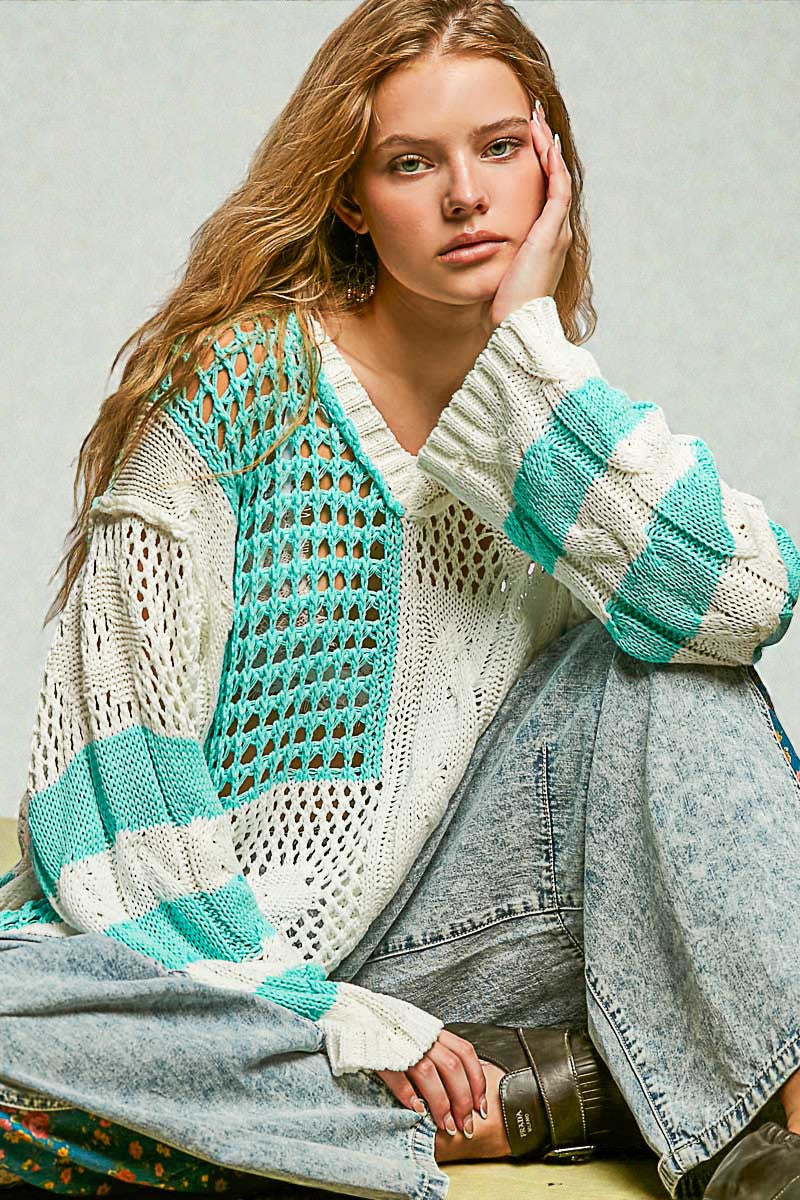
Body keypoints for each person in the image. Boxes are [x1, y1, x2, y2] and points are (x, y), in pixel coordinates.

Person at [1, 1, 799, 1198]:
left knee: (665, 663)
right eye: (409, 162)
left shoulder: (551, 413)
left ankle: (763, 1145)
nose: (465, 196)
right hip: (220, 961)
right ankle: (541, 1093)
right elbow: (116, 788)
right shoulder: (236, 393)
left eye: (498, 148)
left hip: (471, 941)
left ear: (552, 164)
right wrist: (313, 1009)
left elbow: (743, 601)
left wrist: (530, 360)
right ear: (349, 195)